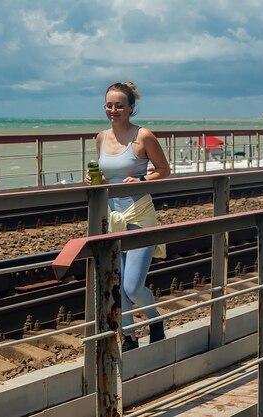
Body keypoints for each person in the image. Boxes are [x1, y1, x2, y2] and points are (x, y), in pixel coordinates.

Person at [85, 81, 171, 351]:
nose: (114, 110)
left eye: (119, 105)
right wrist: (91, 179)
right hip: (112, 217)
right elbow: (103, 174)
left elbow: (164, 170)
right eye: (109, 105)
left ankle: (155, 319)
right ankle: (130, 337)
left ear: (131, 107)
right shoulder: (101, 137)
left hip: (139, 215)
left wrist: (142, 178)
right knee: (117, 285)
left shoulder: (143, 136)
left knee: (133, 285)